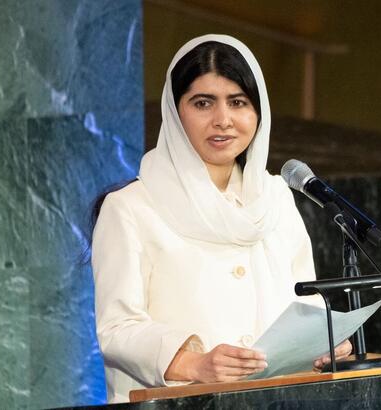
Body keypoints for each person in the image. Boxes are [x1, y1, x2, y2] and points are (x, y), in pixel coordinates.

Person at [90, 34, 351, 403]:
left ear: (258, 112)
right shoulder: (130, 208)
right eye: (203, 103)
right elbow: (117, 329)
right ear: (174, 111)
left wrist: (323, 340)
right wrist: (194, 364)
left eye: (238, 102)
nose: (223, 120)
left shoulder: (276, 196)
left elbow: (303, 303)